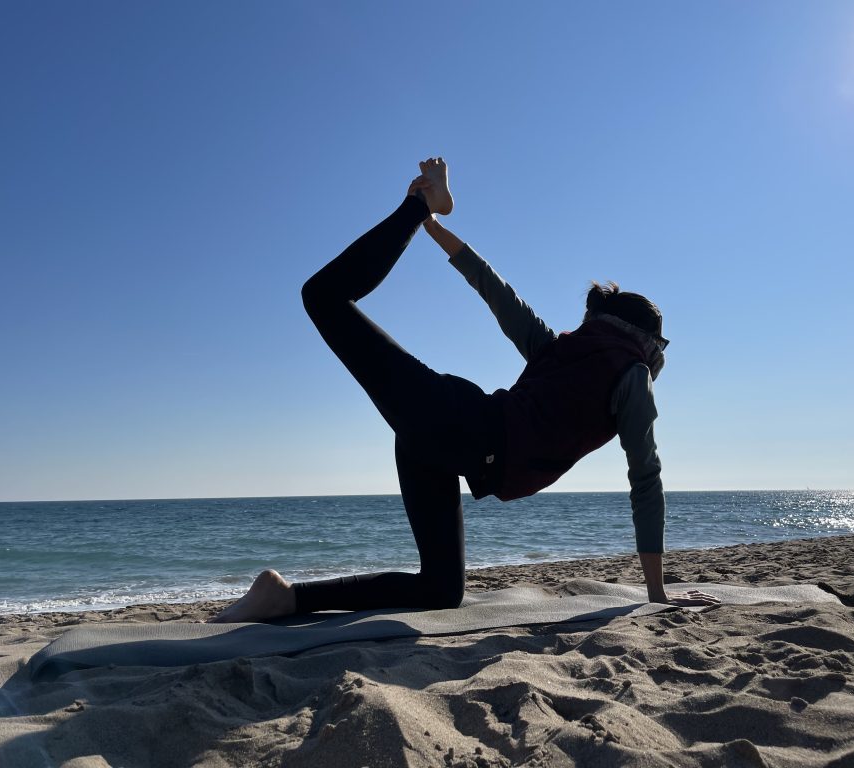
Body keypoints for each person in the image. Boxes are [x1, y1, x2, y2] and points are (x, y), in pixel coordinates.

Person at [211, 158, 719, 623]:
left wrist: (437, 227)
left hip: (441, 440)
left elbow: (493, 288)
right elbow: (646, 480)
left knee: (440, 591)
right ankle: (415, 204)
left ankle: (285, 597)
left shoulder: (560, 351)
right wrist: (658, 596)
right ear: (650, 342)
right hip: (456, 425)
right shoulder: (631, 376)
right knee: (323, 297)